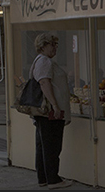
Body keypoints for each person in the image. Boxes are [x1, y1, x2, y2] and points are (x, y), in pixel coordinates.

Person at [30, 33, 72, 189]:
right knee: (52, 145)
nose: (55, 48)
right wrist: (55, 105)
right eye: (52, 44)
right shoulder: (44, 61)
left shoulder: (42, 61)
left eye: (56, 44)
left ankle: (44, 178)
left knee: (44, 145)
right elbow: (44, 82)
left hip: (46, 112)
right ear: (43, 46)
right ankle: (53, 179)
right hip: (50, 111)